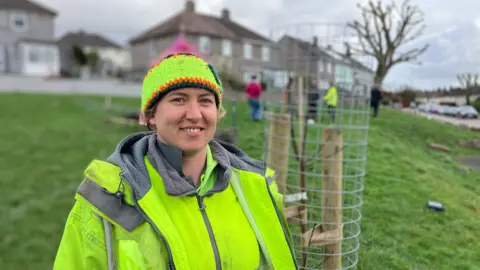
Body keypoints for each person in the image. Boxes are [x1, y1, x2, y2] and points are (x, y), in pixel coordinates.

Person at [53, 53, 298, 270]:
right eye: (179, 99)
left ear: (217, 112)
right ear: (150, 117)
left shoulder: (254, 187)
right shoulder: (106, 200)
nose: (194, 114)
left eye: (205, 100)